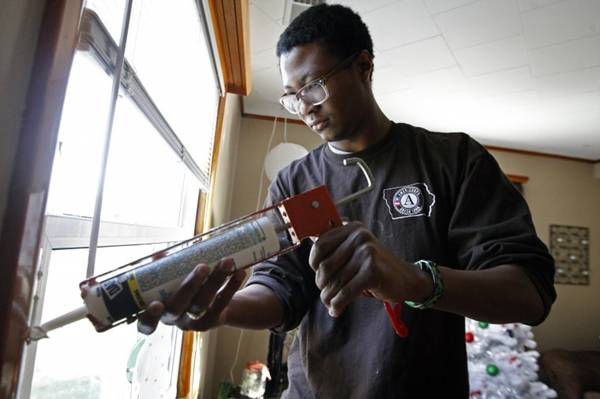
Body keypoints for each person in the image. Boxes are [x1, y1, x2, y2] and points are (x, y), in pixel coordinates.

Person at [138, 4, 556, 398]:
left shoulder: (453, 160)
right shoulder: (295, 181)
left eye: (314, 86)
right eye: (292, 95)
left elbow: (530, 292)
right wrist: (223, 307)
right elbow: (280, 287)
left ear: (363, 66)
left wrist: (412, 280)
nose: (304, 107)